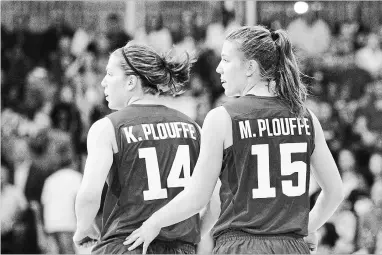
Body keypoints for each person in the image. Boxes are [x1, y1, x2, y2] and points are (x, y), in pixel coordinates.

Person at [123, 26, 344, 254]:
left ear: (250, 67)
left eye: (226, 60)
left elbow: (198, 197)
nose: (219, 68)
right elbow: (335, 191)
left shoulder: (222, 118)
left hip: (241, 246)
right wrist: (309, 226)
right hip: (292, 247)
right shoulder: (305, 116)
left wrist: (154, 222)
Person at [72, 42, 202, 254]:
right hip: (181, 248)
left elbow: (88, 195)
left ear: (131, 81)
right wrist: (192, 238)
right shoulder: (194, 127)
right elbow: (212, 198)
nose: (103, 82)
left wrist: (83, 227)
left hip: (127, 244)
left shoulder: (108, 127)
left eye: (110, 74)